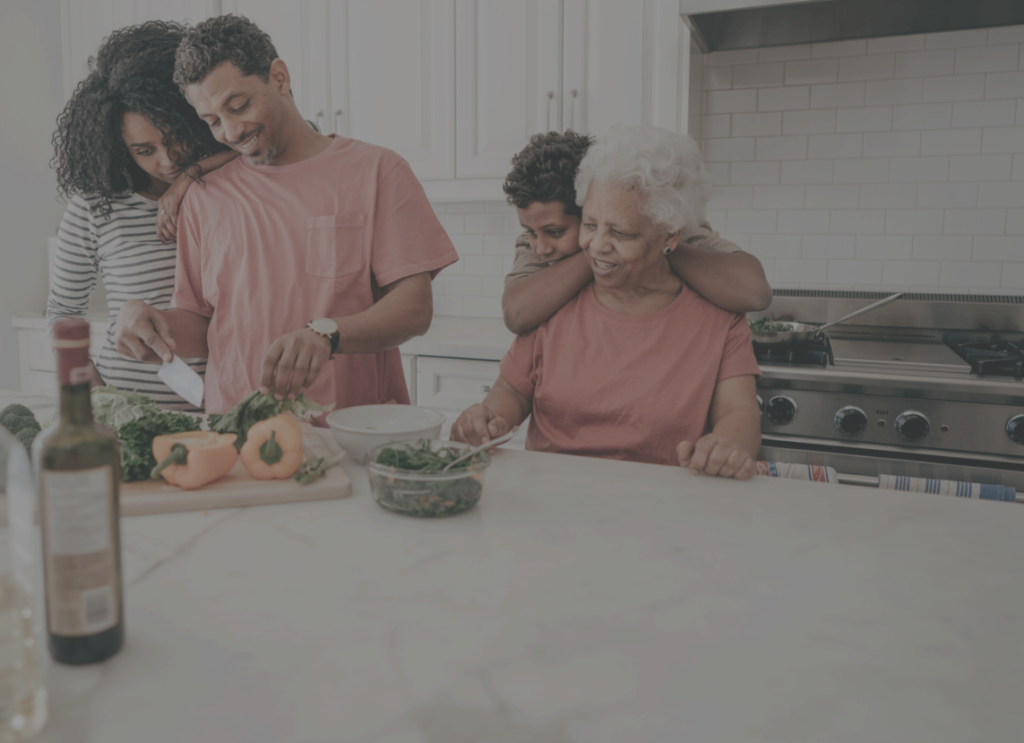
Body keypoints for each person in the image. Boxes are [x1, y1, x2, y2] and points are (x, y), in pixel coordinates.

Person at [114, 14, 457, 418]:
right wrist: (154, 327)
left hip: (350, 430)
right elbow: (204, 325)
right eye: (212, 121)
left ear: (279, 77)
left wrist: (327, 335)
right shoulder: (204, 196)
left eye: (238, 106)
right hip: (236, 433)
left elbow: (414, 309)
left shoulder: (378, 172)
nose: (230, 131)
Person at [452, 125, 762, 479]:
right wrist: (486, 418)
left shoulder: (718, 313)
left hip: (665, 509)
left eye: (620, 232)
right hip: (552, 502)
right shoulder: (551, 298)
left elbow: (740, 413)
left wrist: (727, 446)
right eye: (589, 225)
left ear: (670, 235)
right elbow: (509, 392)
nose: (596, 246)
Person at [48, 21, 237, 409]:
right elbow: (63, 314)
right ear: (119, 147)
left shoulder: (229, 185)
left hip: (219, 410)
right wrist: (97, 397)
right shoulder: (95, 207)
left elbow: (295, 136)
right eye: (144, 150)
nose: (167, 161)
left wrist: (192, 175)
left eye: (173, 138)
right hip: (128, 407)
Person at [501, 131, 772, 334]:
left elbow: (754, 292)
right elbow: (517, 314)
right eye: (531, 232)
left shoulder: (663, 223)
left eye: (556, 232)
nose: (542, 248)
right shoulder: (538, 242)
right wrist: (602, 252)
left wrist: (650, 242)